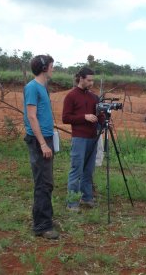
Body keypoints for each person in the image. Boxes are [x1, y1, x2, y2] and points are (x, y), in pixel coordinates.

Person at [23, 54, 59, 240]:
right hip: (39, 141)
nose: (53, 69)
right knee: (43, 183)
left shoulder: (42, 87)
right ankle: (42, 226)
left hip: (45, 137)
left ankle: (46, 217)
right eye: (52, 66)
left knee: (48, 182)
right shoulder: (32, 87)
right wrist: (43, 143)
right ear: (45, 68)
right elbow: (31, 116)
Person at [62, 66, 103, 212]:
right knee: (76, 170)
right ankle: (72, 203)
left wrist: (105, 120)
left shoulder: (93, 97)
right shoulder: (71, 96)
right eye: (89, 80)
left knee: (88, 170)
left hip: (93, 138)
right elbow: (65, 118)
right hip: (79, 138)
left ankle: (87, 198)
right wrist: (84, 117)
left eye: (93, 80)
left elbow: (100, 116)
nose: (92, 83)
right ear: (81, 79)